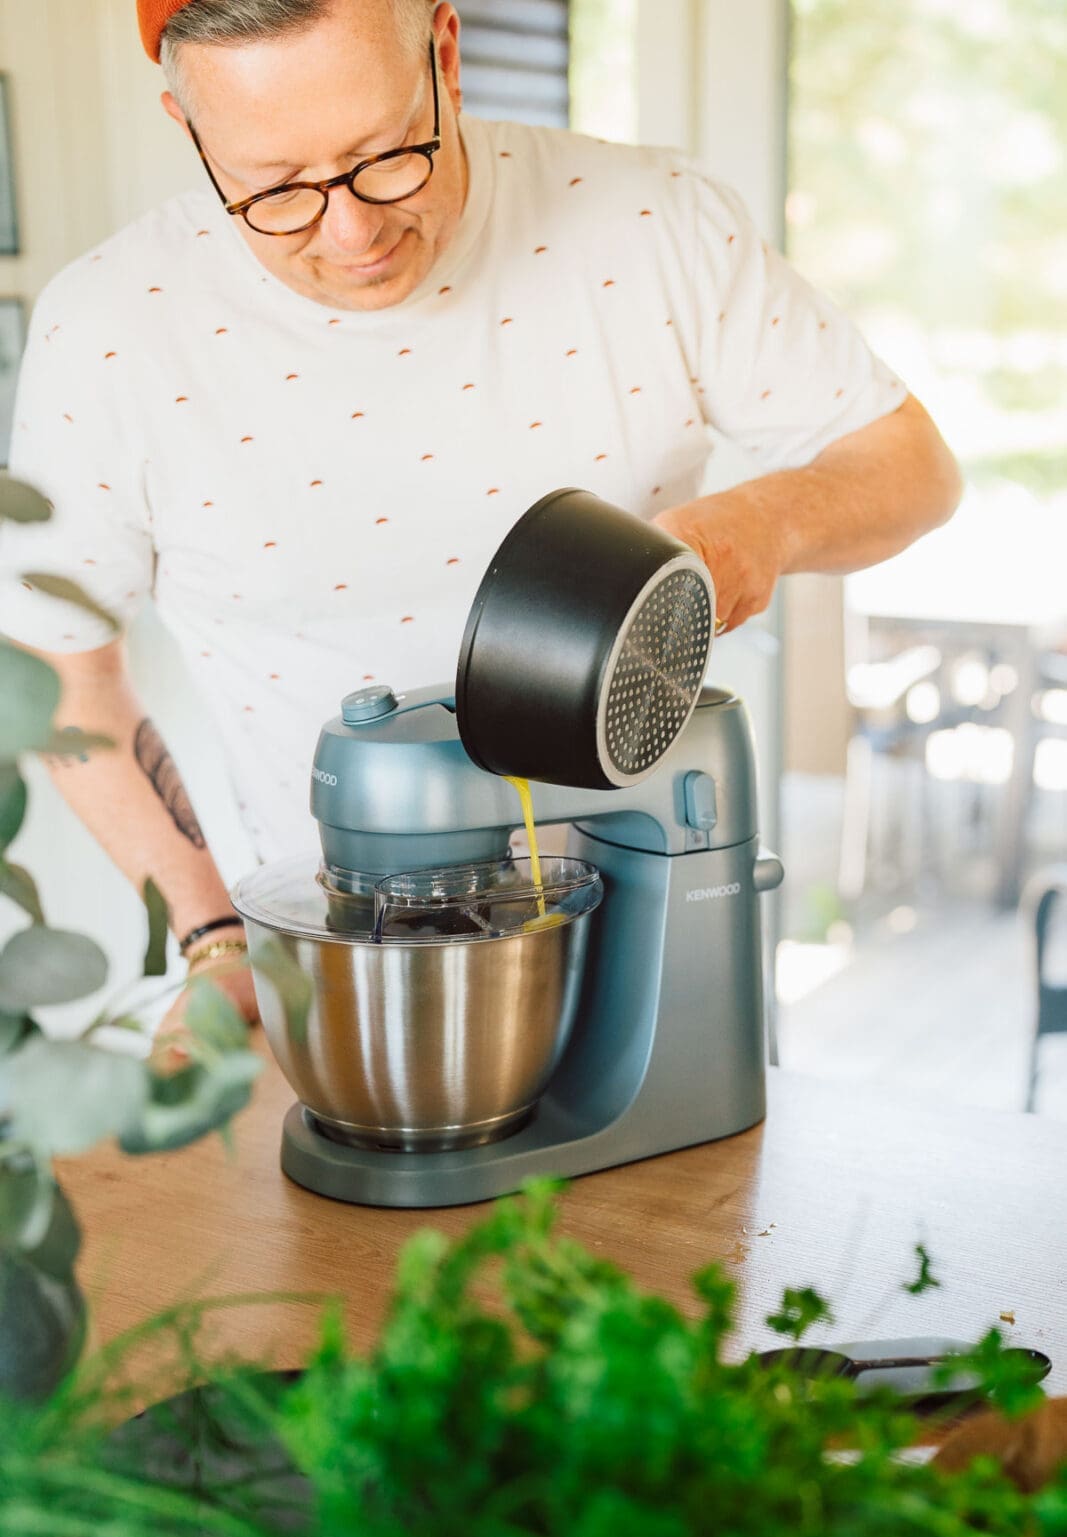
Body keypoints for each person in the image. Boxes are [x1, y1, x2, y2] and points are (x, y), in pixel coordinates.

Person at [0, 0, 962, 1038]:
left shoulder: (650, 222)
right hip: (340, 971)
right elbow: (59, 671)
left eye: (384, 156)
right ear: (188, 131)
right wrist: (213, 940)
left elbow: (911, 466)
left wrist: (759, 524)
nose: (352, 230)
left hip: (657, 948)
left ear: (445, 53)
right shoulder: (107, 331)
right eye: (275, 189)